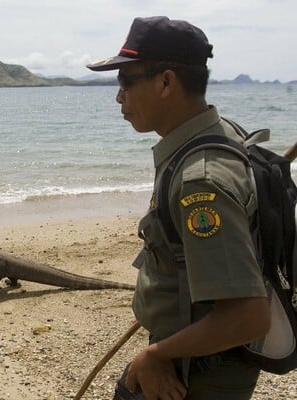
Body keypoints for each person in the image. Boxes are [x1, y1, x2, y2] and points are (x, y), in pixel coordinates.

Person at [86, 16, 271, 399]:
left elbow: (249, 316)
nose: (119, 96)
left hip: (194, 372)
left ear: (166, 82)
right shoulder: (221, 134)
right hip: (192, 353)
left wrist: (155, 355)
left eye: (125, 81)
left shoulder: (200, 181)